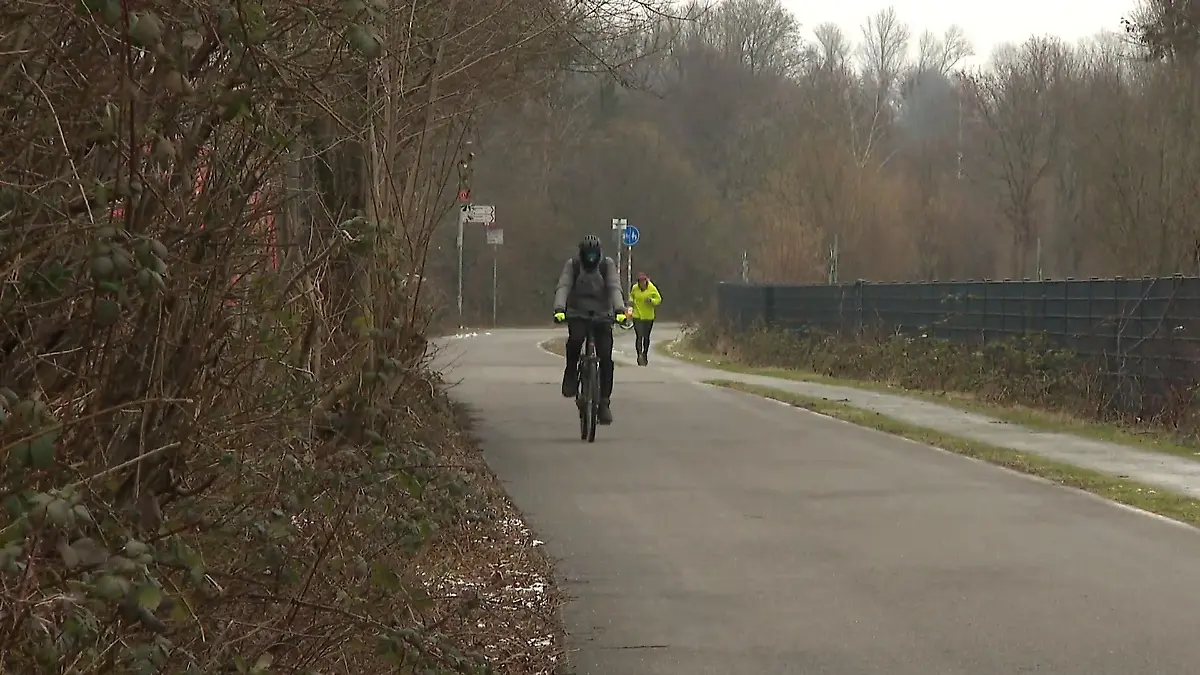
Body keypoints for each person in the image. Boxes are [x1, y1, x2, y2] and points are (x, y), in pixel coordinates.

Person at [552, 235, 631, 424]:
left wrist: (619, 309)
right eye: (587, 254)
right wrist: (559, 308)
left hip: (603, 314)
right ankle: (571, 373)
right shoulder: (573, 265)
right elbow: (564, 285)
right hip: (578, 312)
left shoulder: (606, 265)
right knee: (575, 340)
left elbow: (614, 286)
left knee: (605, 357)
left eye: (593, 254)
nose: (590, 258)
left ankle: (604, 402)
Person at [629, 272, 661, 365]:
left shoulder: (652, 288)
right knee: (639, 336)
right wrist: (630, 301)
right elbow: (632, 296)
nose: (641, 284)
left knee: (646, 337)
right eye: (639, 282)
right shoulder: (635, 288)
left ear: (646, 281)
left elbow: (658, 299)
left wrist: (651, 301)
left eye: (642, 282)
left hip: (648, 317)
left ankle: (645, 354)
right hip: (637, 316)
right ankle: (639, 355)